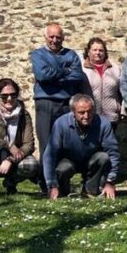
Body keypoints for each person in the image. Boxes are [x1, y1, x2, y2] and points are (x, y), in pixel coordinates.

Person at [30, 23, 87, 175]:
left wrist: (53, 76)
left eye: (58, 37)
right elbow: (42, 75)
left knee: (65, 143)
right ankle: (46, 182)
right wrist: (65, 71)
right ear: (45, 37)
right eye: (51, 36)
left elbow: (77, 76)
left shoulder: (71, 55)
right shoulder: (38, 55)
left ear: (63, 38)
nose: (55, 40)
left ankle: (62, 181)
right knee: (47, 144)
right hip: (45, 103)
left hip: (66, 104)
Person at [42, 94, 120, 200]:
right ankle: (62, 190)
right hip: (68, 160)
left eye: (89, 111)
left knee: (103, 157)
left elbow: (113, 152)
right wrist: (51, 184)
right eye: (81, 113)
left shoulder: (103, 123)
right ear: (73, 112)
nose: (86, 116)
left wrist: (110, 181)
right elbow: (49, 156)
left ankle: (89, 190)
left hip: (91, 160)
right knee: (63, 169)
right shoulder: (61, 123)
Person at [81, 37, 122, 124]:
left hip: (111, 116)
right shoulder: (82, 69)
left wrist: (120, 109)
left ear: (105, 52)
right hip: (89, 116)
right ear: (88, 52)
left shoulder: (115, 68)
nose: (98, 53)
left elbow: (121, 91)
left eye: (101, 50)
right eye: (94, 50)